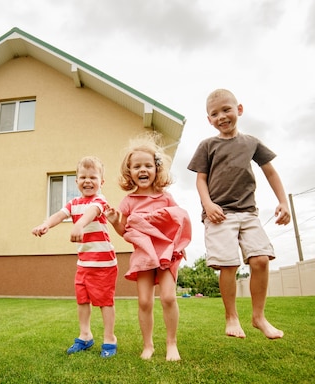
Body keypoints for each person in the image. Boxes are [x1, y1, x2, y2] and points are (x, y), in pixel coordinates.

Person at [187, 88, 290, 339]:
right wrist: (208, 205)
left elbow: (271, 172)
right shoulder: (208, 145)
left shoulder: (251, 142)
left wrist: (283, 202)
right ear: (209, 120)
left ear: (239, 110)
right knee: (228, 264)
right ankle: (231, 317)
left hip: (248, 212)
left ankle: (258, 317)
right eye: (214, 113)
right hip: (219, 214)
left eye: (226, 110)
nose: (221, 116)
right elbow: (200, 180)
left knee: (261, 259)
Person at [107, 134, 191, 361]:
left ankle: (172, 344)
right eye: (136, 166)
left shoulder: (166, 198)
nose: (142, 170)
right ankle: (148, 345)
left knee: (168, 298)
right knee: (144, 301)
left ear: (156, 168)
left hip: (166, 255)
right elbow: (127, 232)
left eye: (147, 165)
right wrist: (116, 222)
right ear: (130, 172)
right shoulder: (129, 201)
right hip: (143, 256)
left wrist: (178, 245)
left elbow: (178, 221)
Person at [31, 156, 119, 357]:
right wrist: (45, 225)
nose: (88, 181)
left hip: (104, 263)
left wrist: (79, 224)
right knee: (82, 300)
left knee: (105, 302)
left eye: (93, 177)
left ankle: (109, 338)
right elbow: (59, 215)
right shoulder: (73, 203)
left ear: (101, 182)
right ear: (76, 181)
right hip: (84, 263)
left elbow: (92, 212)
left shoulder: (100, 200)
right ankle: (85, 336)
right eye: (83, 177)